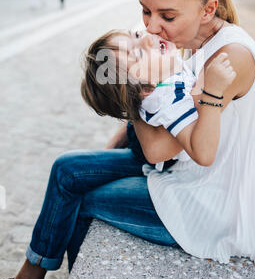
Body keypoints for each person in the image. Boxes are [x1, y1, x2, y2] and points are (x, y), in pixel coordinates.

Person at [0, 0, 255, 279]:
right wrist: (139, 86)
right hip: (182, 173)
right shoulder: (182, 38)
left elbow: (157, 150)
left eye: (166, 15)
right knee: (68, 169)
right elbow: (155, 118)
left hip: (210, 203)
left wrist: (137, 89)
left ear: (208, 9)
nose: (150, 26)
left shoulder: (229, 58)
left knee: (83, 202)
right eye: (145, 11)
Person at [80, 29, 236, 172]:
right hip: (145, 149)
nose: (147, 38)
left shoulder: (163, 71)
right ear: (148, 90)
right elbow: (204, 154)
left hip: (137, 129)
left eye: (136, 35)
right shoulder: (172, 102)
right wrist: (213, 91)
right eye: (139, 54)